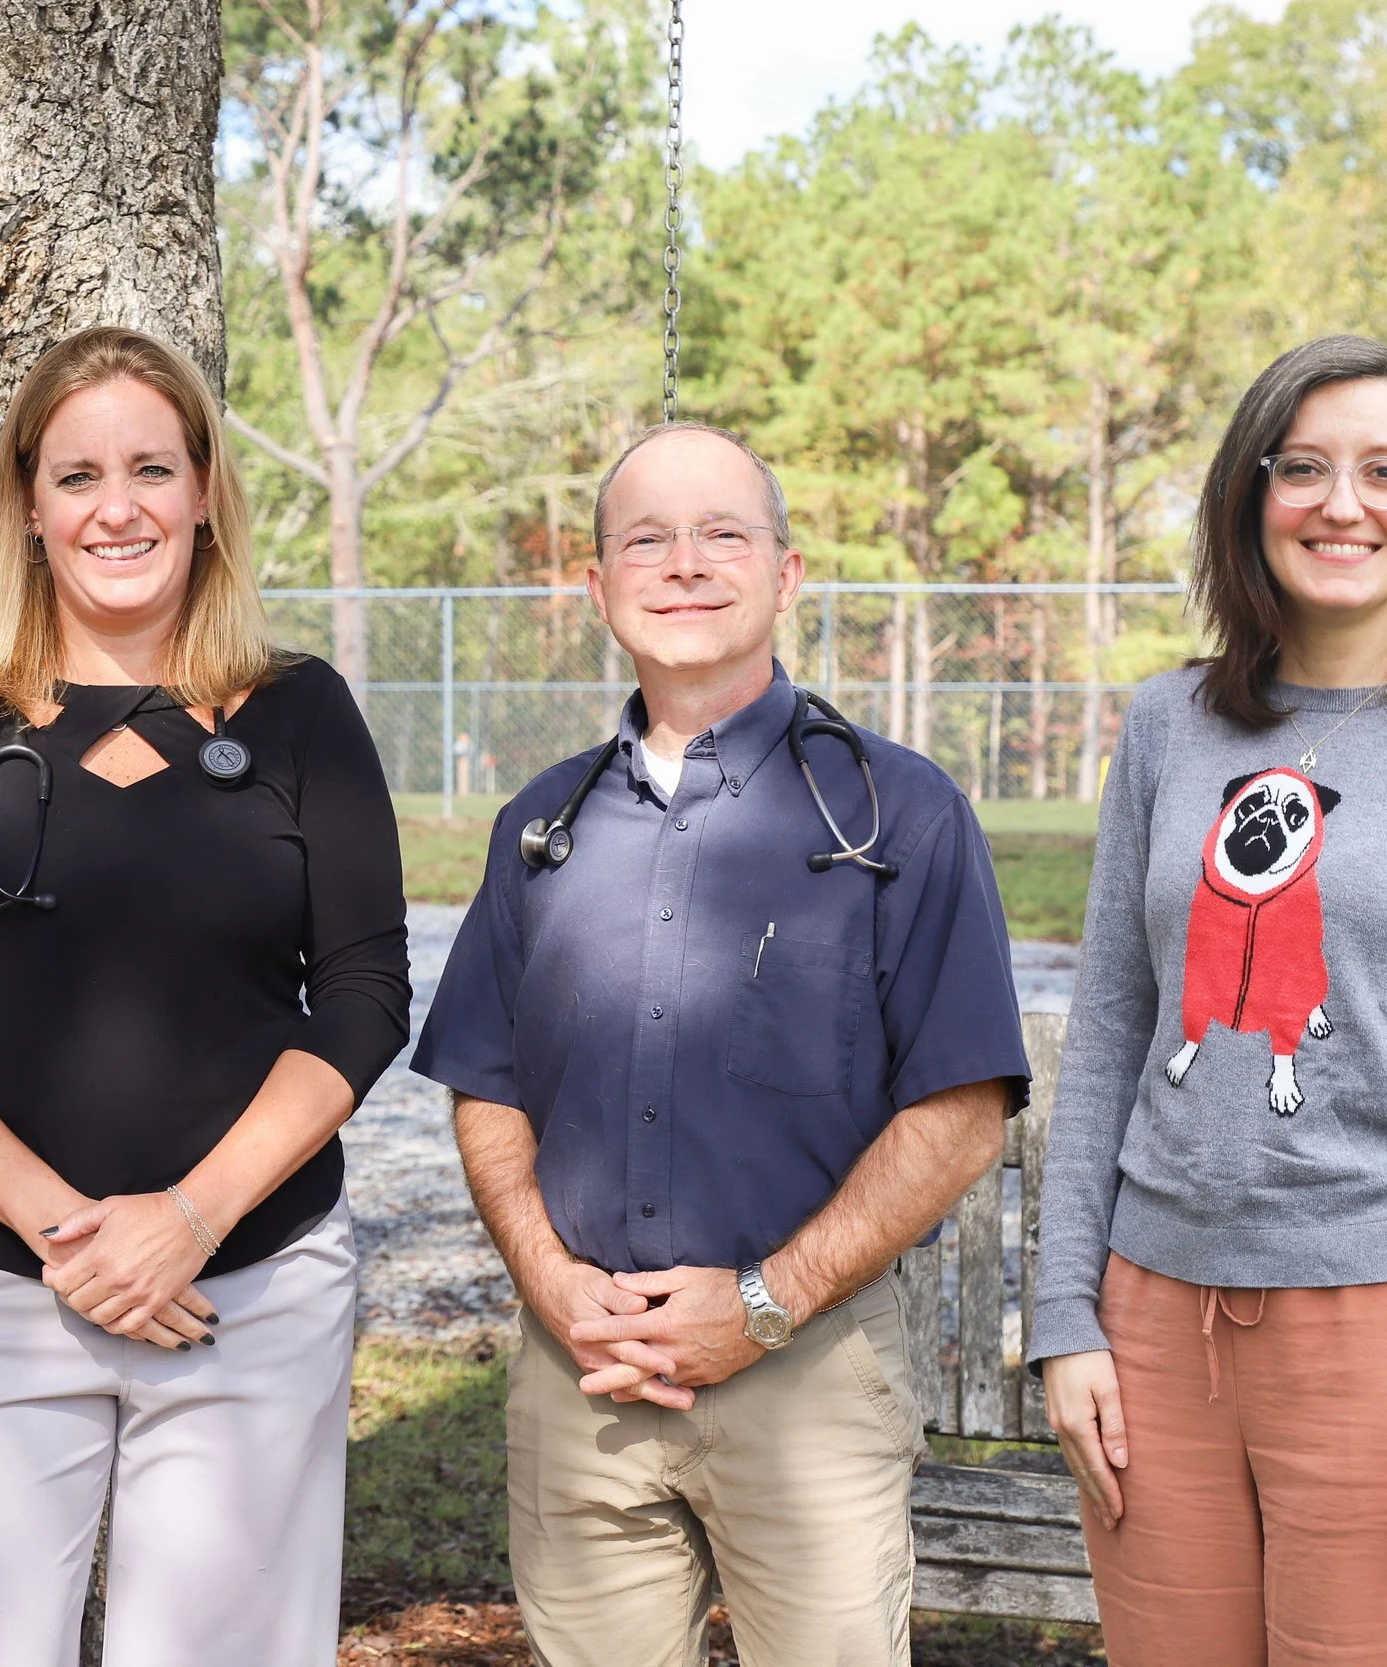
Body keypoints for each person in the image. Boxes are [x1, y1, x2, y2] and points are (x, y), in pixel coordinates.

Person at [0, 324, 411, 1667]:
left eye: (153, 466)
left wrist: (192, 1217)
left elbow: (368, 994)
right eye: (78, 473)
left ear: (206, 490)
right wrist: (65, 1230)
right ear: (27, 504)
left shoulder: (301, 713)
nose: (118, 505)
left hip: (245, 1294)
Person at [411, 420, 1029, 1667]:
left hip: (804, 1369)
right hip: (581, 1373)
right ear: (597, 588)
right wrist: (546, 1277)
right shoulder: (543, 824)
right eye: (646, 538)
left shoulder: (895, 811)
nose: (684, 562)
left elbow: (960, 1106)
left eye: (721, 532)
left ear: (786, 575)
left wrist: (760, 1303)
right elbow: (484, 1082)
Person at [1029, 335, 1387, 1666]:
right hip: (1155, 1336)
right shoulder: (1169, 725)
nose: (1344, 504)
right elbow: (1112, 1027)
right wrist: (1067, 1317)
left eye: (1386, 470)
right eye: (1305, 467)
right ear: (1250, 495)